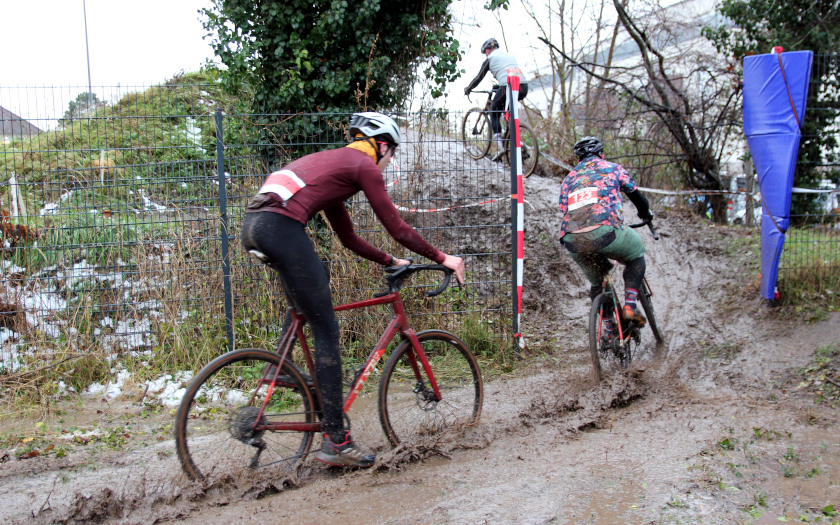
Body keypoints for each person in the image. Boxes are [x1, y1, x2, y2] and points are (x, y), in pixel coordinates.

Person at [240, 112, 465, 468]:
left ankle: (280, 369)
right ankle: (337, 441)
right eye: (392, 154)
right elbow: (397, 226)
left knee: (312, 291)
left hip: (255, 226)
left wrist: (389, 260)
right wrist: (442, 257)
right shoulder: (364, 166)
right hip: (280, 227)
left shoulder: (332, 165)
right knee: (326, 328)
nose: (389, 163)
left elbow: (347, 237)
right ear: (381, 145)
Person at [558, 137, 653, 333]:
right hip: (606, 231)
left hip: (572, 239)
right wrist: (646, 215)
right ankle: (629, 307)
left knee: (597, 283)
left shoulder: (568, 179)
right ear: (602, 154)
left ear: (578, 159)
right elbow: (639, 200)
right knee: (636, 255)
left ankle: (609, 329)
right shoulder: (613, 168)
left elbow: (564, 208)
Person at [464, 38, 529, 162]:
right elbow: (508, 74)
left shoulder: (490, 59)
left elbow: (478, 77)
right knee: (509, 114)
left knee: (494, 111)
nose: (486, 54)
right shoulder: (508, 56)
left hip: (508, 86)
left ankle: (501, 147)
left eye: (485, 52)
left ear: (488, 49)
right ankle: (513, 142)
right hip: (523, 86)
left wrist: (468, 88)